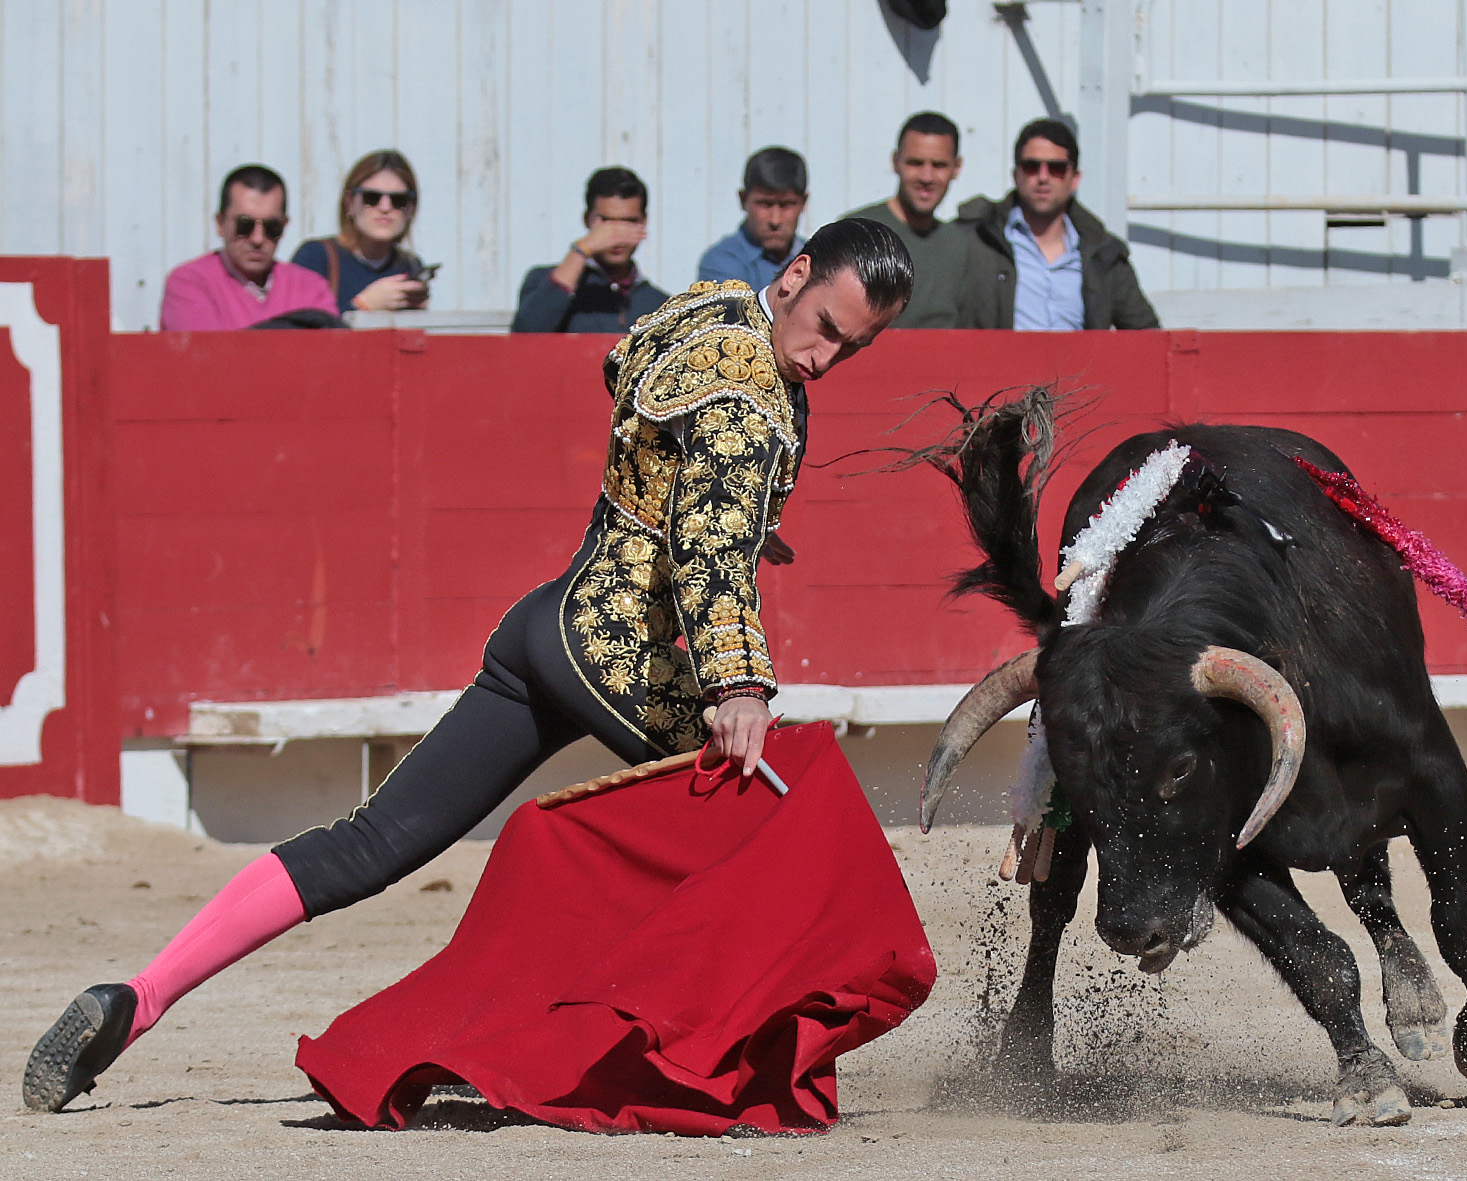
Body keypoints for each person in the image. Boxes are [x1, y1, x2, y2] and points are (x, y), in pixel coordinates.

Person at [23, 218, 916, 1115]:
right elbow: (708, 548)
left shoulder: (710, 307)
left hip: (544, 625)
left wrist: (724, 509)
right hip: (619, 656)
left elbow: (624, 375)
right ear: (798, 275)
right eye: (828, 328)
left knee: (370, 841)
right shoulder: (755, 397)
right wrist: (739, 683)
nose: (825, 358)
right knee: (784, 822)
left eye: (856, 346)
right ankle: (664, 1060)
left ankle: (138, 998)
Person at [953, 118, 1158, 331]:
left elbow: (1147, 335)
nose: (1043, 177)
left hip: (1080, 365)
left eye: (1056, 168)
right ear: (1016, 175)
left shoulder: (1104, 254)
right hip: (1000, 364)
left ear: (1075, 179)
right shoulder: (977, 239)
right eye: (1032, 166)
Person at [159, 165, 338, 331]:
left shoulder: (311, 288)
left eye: (271, 227)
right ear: (221, 224)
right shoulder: (190, 283)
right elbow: (205, 358)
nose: (258, 239)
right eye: (244, 225)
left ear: (284, 226)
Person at [846, 111, 967, 328]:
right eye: (915, 163)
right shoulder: (856, 233)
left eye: (938, 165)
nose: (926, 177)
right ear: (895, 162)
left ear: (956, 168)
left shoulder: (963, 245)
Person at [512, 166, 669, 333]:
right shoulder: (544, 281)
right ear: (587, 219)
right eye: (607, 222)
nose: (616, 235)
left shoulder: (660, 305)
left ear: (644, 222)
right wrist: (581, 250)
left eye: (629, 222)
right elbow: (524, 337)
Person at [291, 150, 430, 315]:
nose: (385, 208)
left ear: (410, 208)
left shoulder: (410, 265)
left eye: (398, 200)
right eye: (371, 198)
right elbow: (297, 333)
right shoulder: (316, 257)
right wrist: (363, 306)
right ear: (350, 203)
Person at [697, 148, 809, 292]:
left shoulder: (819, 260)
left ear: (804, 203)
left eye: (786, 205)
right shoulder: (721, 262)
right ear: (743, 200)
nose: (775, 220)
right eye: (765, 204)